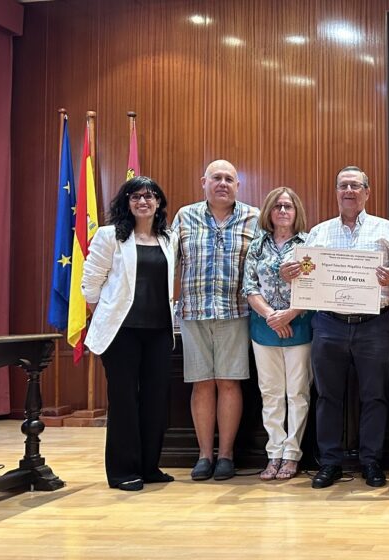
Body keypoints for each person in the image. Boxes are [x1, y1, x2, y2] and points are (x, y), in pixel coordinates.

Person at [279, 165, 389, 489]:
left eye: (355, 185)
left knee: (374, 396)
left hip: (373, 325)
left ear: (367, 192)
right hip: (329, 324)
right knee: (327, 396)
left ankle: (371, 462)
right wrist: (289, 273)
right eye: (343, 186)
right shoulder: (318, 233)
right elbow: (302, 277)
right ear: (336, 192)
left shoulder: (385, 229)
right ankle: (330, 463)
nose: (349, 191)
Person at [82, 176, 175, 491]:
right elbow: (91, 284)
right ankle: (123, 471)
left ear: (158, 202)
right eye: (135, 196)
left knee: (155, 400)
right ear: (127, 202)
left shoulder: (167, 238)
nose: (143, 201)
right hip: (122, 334)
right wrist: (107, 315)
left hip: (159, 332)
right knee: (123, 401)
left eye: (149, 196)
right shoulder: (109, 236)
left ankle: (149, 467)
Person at [173, 160, 259, 482]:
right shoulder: (185, 216)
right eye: (216, 178)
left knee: (229, 382)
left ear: (238, 185)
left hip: (235, 312)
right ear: (203, 182)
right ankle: (204, 455)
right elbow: (169, 261)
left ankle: (226, 456)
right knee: (202, 384)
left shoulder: (253, 218)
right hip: (194, 313)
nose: (222, 183)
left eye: (229, 179)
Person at [243, 187, 312, 481]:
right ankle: (274, 452)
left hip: (300, 326)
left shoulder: (308, 244)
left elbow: (315, 287)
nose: (283, 211)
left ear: (297, 212)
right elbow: (249, 287)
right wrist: (272, 316)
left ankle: (292, 454)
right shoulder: (257, 245)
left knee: (297, 393)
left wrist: (289, 314)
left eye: (288, 206)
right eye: (277, 206)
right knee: (271, 394)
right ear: (269, 212)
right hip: (264, 328)